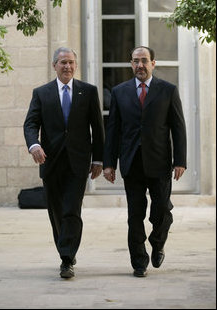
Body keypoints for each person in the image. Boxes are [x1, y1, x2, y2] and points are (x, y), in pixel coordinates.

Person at [103, 46, 187, 278]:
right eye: (135, 61)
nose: (140, 65)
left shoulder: (168, 90)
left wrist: (180, 160)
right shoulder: (119, 92)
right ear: (131, 64)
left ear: (153, 63)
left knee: (161, 211)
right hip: (131, 163)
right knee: (135, 214)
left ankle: (158, 242)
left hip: (159, 163)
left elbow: (178, 127)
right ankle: (139, 261)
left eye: (144, 60)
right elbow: (113, 130)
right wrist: (109, 163)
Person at [24, 47, 104, 279]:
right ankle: (66, 246)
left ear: (75, 66)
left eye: (70, 62)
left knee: (71, 210)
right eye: (62, 63)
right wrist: (34, 145)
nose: (67, 66)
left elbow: (98, 129)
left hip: (78, 163)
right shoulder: (41, 93)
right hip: (51, 162)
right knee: (56, 211)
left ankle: (66, 258)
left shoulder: (88, 92)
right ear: (54, 66)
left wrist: (98, 159)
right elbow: (30, 124)